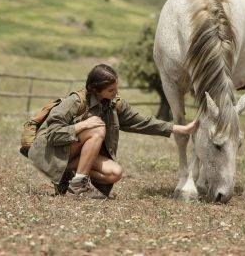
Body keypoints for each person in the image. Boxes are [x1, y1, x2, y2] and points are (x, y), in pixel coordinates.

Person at [28, 64, 198, 198]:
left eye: (116, 89)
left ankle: (69, 177)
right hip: (50, 152)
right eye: (111, 90)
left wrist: (181, 128)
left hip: (72, 157)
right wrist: (81, 125)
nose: (115, 93)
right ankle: (78, 185)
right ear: (96, 89)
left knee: (114, 173)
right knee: (96, 128)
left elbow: (143, 122)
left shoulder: (113, 104)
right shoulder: (74, 102)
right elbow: (51, 134)